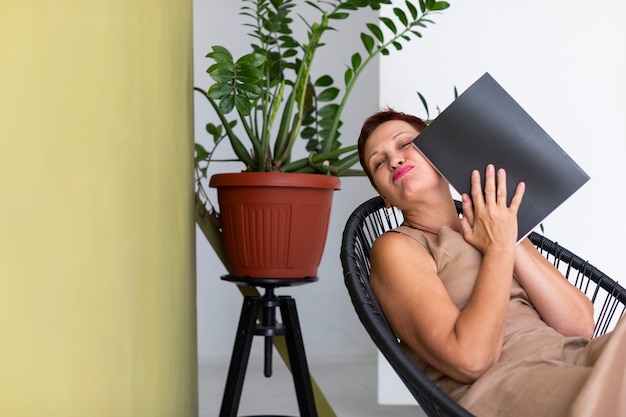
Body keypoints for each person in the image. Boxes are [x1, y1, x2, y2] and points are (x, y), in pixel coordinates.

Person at [356, 108, 626, 416]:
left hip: (574, 357)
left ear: (438, 150)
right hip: (510, 383)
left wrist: (506, 232)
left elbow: (578, 326)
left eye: (404, 144)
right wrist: (498, 252)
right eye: (379, 162)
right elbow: (470, 360)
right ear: (383, 195)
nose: (394, 160)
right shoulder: (397, 248)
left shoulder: (494, 224)